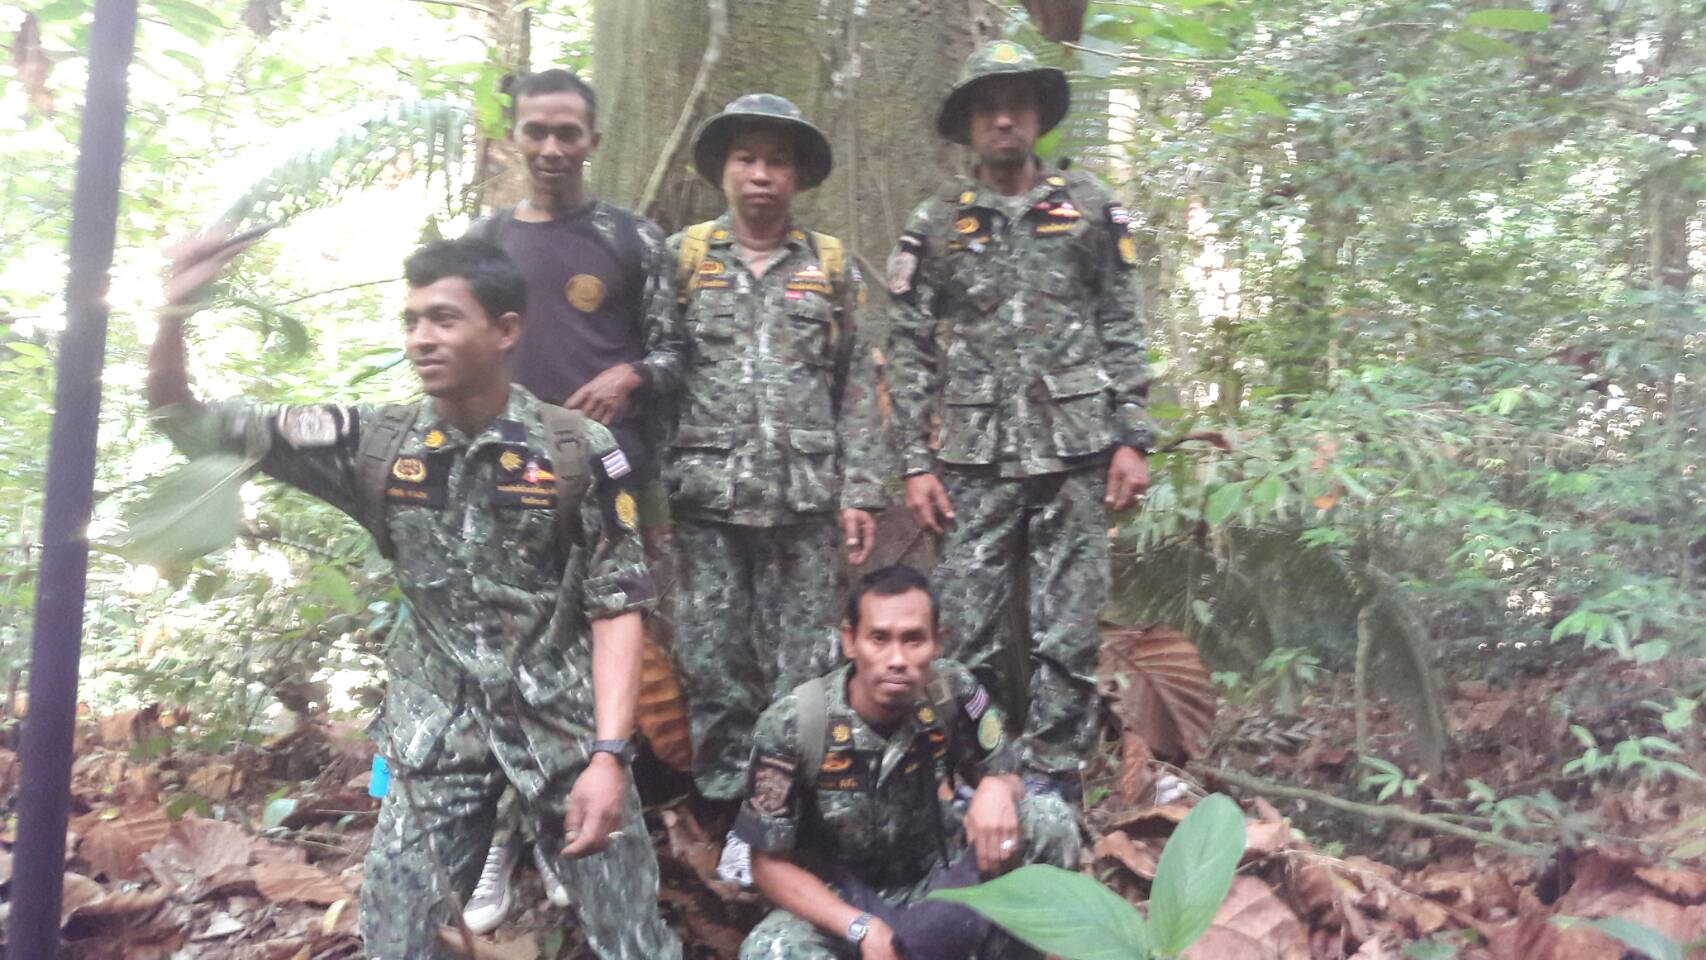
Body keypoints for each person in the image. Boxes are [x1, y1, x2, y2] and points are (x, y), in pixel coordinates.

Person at [146, 232, 681, 960]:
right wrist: (174, 311)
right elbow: (185, 424)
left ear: (505, 330)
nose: (421, 338)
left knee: (633, 940)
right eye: (412, 320)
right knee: (394, 938)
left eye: (444, 319)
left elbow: (616, 602)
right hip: (436, 736)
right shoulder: (373, 444)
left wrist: (610, 755)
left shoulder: (576, 450)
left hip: (565, 733)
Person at [883, 41, 1155, 800]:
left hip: (1076, 450)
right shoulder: (938, 221)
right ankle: (973, 772)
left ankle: (1055, 777)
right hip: (973, 458)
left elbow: (1122, 322)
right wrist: (913, 461)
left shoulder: (1090, 206)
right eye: (988, 108)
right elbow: (907, 346)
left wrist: (1132, 437)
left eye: (1017, 106)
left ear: (1038, 118)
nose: (1003, 120)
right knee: (962, 628)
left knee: (1068, 627)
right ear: (969, 125)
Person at [460, 67, 681, 933]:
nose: (551, 148)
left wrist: (632, 374)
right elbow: (456, 354)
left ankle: (565, 828)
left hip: (610, 481)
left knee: (601, 661)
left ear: (592, 140)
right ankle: (495, 838)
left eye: (567, 132)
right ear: (515, 137)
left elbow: (678, 354)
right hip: (504, 483)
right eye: (536, 131)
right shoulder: (484, 243)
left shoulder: (632, 238)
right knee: (501, 661)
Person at [662, 94, 888, 829]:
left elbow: (858, 385)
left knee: (809, 663)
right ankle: (727, 806)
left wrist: (860, 492)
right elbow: (659, 371)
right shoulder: (682, 259)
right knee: (712, 661)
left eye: (778, 161)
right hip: (707, 499)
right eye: (746, 158)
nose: (761, 174)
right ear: (722, 171)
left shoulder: (830, 265)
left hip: (805, 500)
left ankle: (794, 805)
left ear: (798, 176)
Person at [735, 565, 1080, 960]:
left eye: (913, 640)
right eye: (879, 639)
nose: (896, 659)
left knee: (1048, 821)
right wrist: (859, 927)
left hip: (942, 880)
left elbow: (1008, 775)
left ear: (937, 642)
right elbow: (766, 864)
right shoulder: (794, 725)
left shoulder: (951, 691)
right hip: (844, 902)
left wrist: (998, 787)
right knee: (770, 951)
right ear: (850, 641)